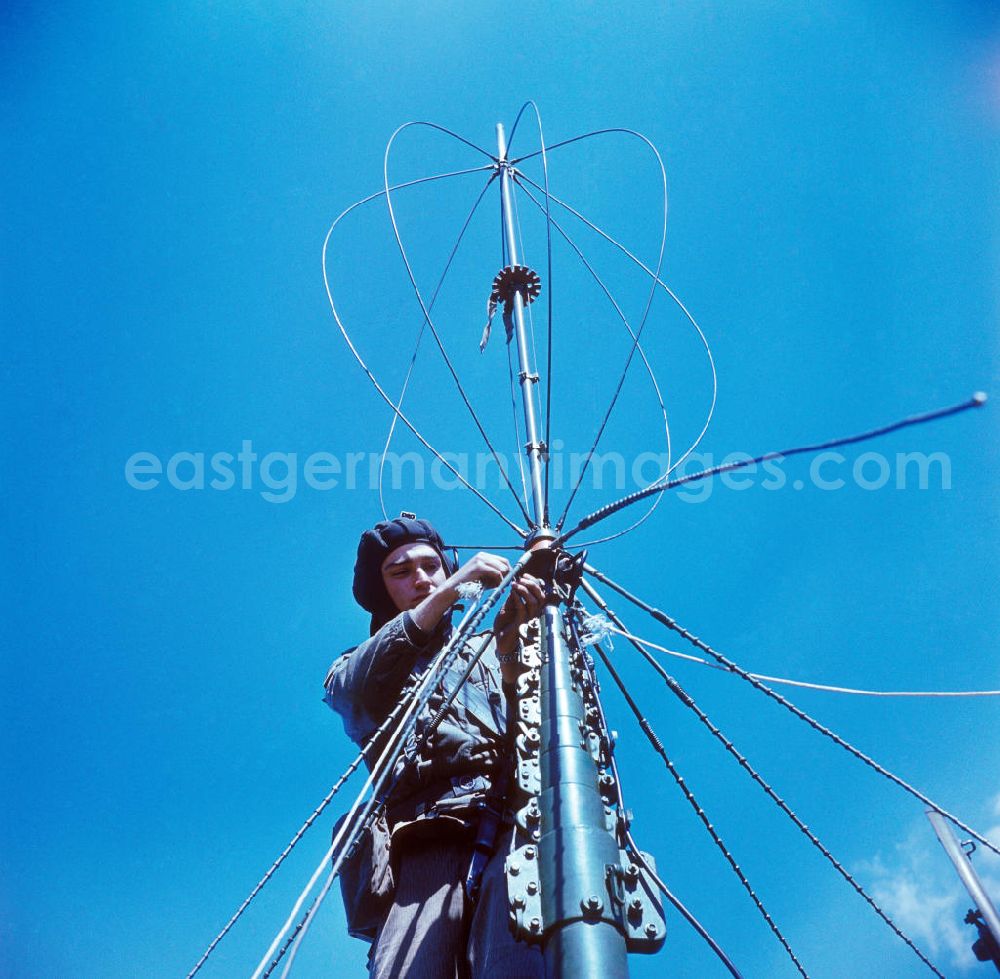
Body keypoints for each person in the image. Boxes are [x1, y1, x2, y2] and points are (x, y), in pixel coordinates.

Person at [324, 515, 547, 979]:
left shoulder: (487, 645)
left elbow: (534, 734)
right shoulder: (364, 662)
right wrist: (453, 588)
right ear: (383, 591)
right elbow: (352, 692)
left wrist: (510, 658)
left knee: (522, 962)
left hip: (514, 829)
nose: (421, 579)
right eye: (400, 572)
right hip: (426, 842)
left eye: (432, 567)